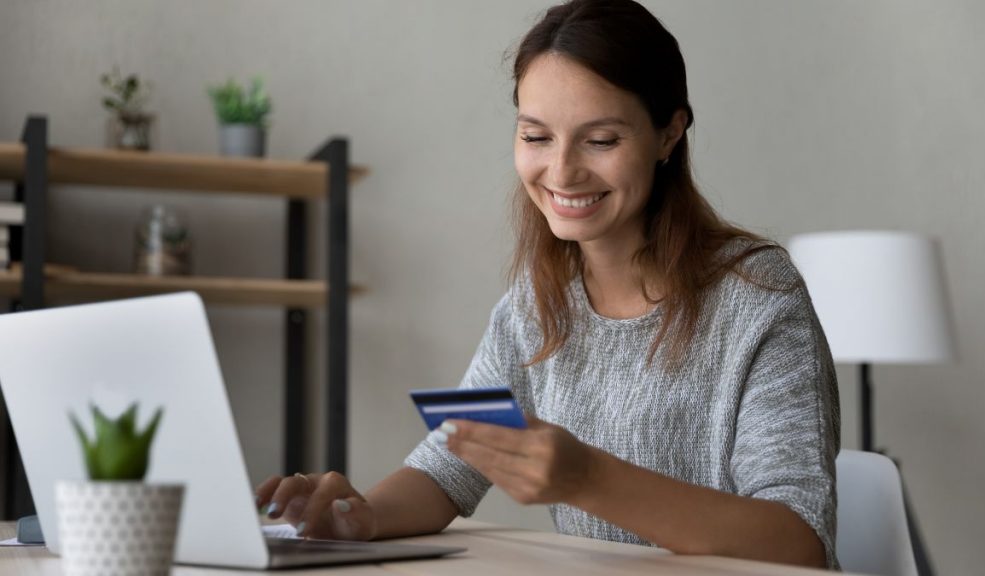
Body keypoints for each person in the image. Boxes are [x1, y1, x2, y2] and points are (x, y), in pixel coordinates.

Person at [255, 0, 840, 569]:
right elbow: (451, 460)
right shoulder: (536, 301)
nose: (562, 172)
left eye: (602, 140)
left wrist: (588, 478)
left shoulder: (757, 293)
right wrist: (355, 518)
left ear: (668, 134)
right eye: (536, 137)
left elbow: (798, 541)